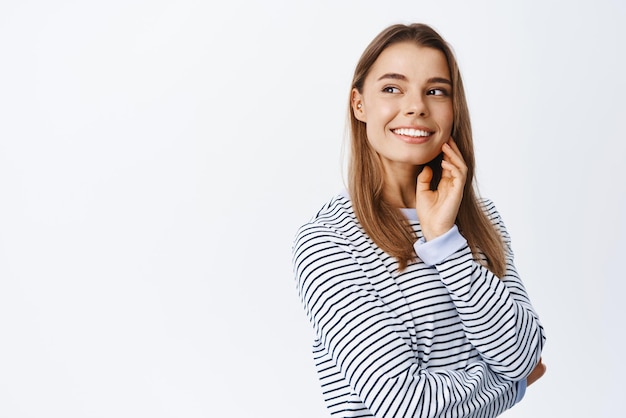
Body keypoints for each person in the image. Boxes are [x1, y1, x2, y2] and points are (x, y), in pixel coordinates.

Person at [292, 23, 546, 417]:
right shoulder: (327, 241)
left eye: (435, 90)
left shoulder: (482, 221)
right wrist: (511, 385)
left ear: (453, 107)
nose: (417, 106)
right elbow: (408, 406)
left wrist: (444, 240)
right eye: (392, 88)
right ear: (359, 104)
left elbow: (521, 354)